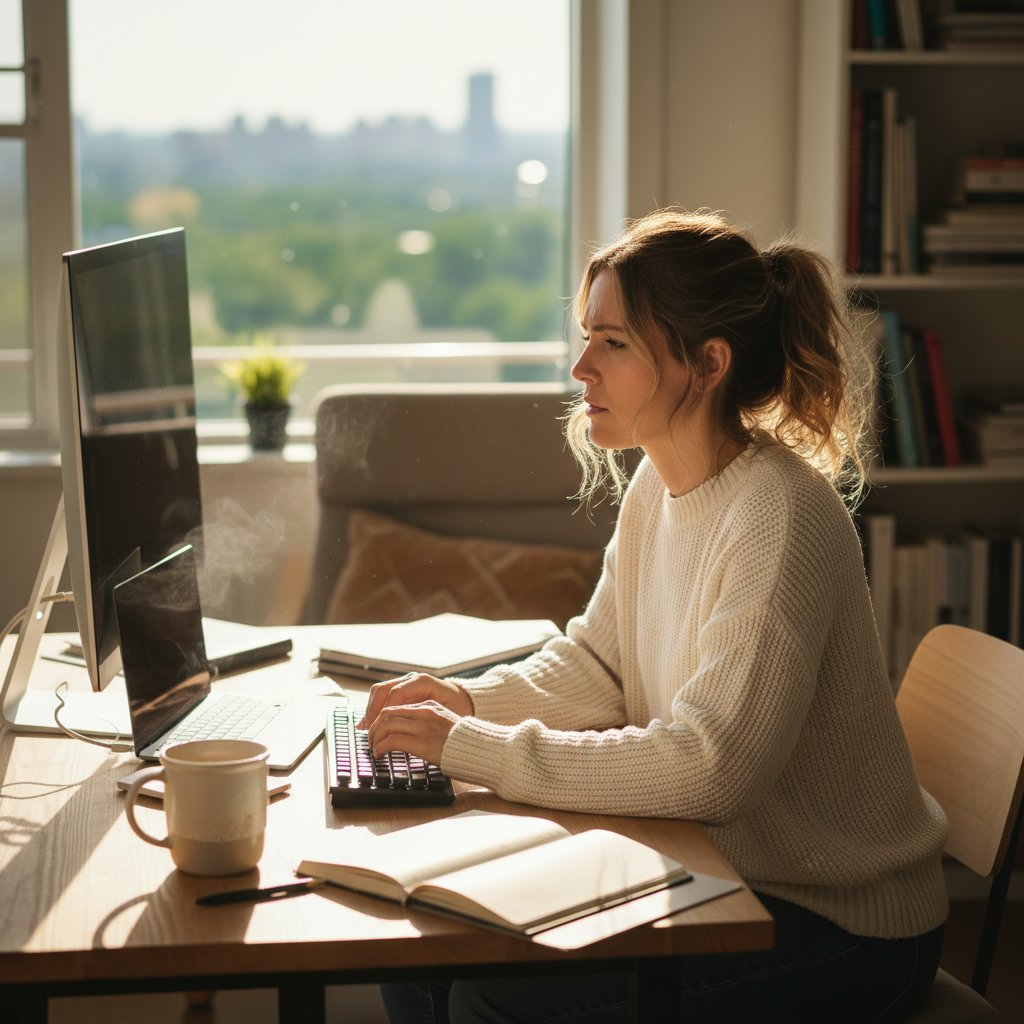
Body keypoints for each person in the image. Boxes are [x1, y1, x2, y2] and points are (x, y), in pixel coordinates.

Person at [360, 208, 948, 1023]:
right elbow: (600, 666)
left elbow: (715, 766)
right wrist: (464, 703)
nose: (580, 368)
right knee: (425, 951)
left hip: (842, 928)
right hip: (730, 880)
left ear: (707, 364)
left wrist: (473, 748)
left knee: (490, 1001)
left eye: (613, 343)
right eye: (586, 337)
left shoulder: (780, 515)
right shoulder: (657, 486)